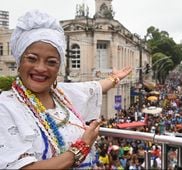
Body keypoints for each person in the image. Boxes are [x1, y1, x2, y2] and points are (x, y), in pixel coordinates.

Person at [0, 10, 132, 169]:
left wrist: (114, 78)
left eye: (51, 62)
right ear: (19, 61)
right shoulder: (5, 106)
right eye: (32, 59)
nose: (41, 68)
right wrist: (82, 147)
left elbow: (94, 87)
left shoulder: (61, 94)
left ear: (58, 67)